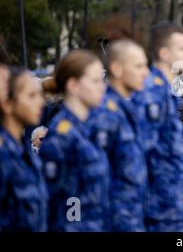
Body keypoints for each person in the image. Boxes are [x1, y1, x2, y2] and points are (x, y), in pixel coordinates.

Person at [133, 21, 183, 232]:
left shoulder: (166, 95)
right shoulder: (149, 96)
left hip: (169, 208)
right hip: (154, 210)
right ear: (165, 53)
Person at [40, 50, 110, 231]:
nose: (102, 87)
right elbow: (56, 201)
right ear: (73, 85)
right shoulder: (62, 136)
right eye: (95, 81)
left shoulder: (89, 127)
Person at [89, 40, 150, 231]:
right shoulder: (103, 115)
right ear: (116, 69)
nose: (146, 73)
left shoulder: (128, 111)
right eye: (138, 66)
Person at [0, 67, 47, 231]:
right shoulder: (4, 154)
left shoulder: (24, 149)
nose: (40, 102)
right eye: (31, 96)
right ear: (8, 103)